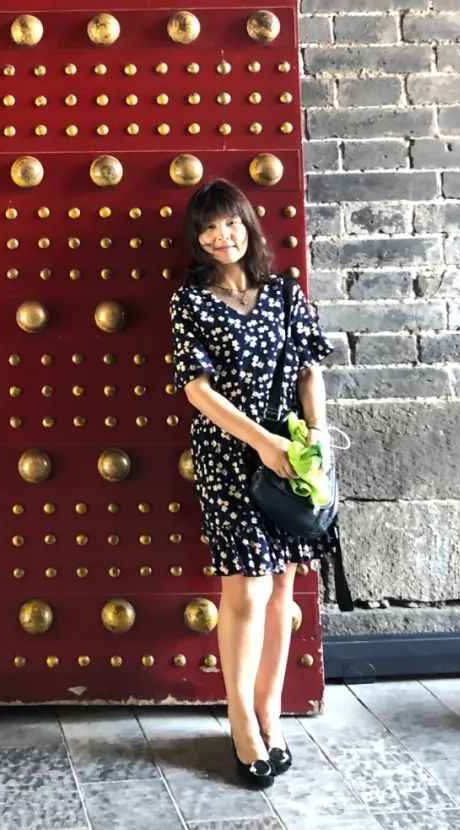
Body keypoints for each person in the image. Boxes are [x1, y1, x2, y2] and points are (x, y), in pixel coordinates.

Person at [168, 179, 335, 789]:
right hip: (229, 457)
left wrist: (316, 437)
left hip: (292, 455)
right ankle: (240, 720)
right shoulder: (190, 302)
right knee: (246, 589)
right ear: (198, 239)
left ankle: (271, 712)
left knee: (284, 585)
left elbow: (310, 370)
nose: (222, 236)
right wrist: (261, 442)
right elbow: (197, 390)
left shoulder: (285, 292)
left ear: (249, 224)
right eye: (209, 228)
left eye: (231, 223)